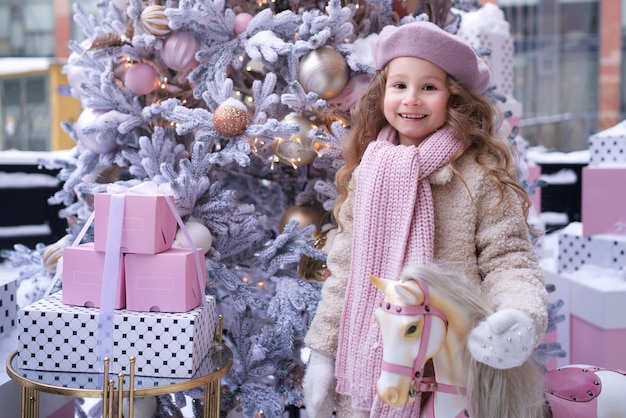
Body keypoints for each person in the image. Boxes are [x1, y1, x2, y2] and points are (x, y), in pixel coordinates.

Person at [302, 20, 548, 417]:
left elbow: (510, 261)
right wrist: (323, 355)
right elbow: (346, 274)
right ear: (383, 91)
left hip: (453, 372)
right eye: (399, 86)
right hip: (377, 367)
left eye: (429, 87)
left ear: (454, 97)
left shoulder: (476, 176)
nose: (411, 99)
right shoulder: (369, 172)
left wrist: (517, 315)